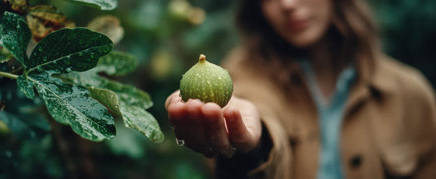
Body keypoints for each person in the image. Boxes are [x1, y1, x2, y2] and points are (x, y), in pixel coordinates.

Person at [165, 0, 436, 178]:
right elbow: (256, 107)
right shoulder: (244, 73)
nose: (288, 4)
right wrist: (254, 144)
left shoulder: (411, 93)